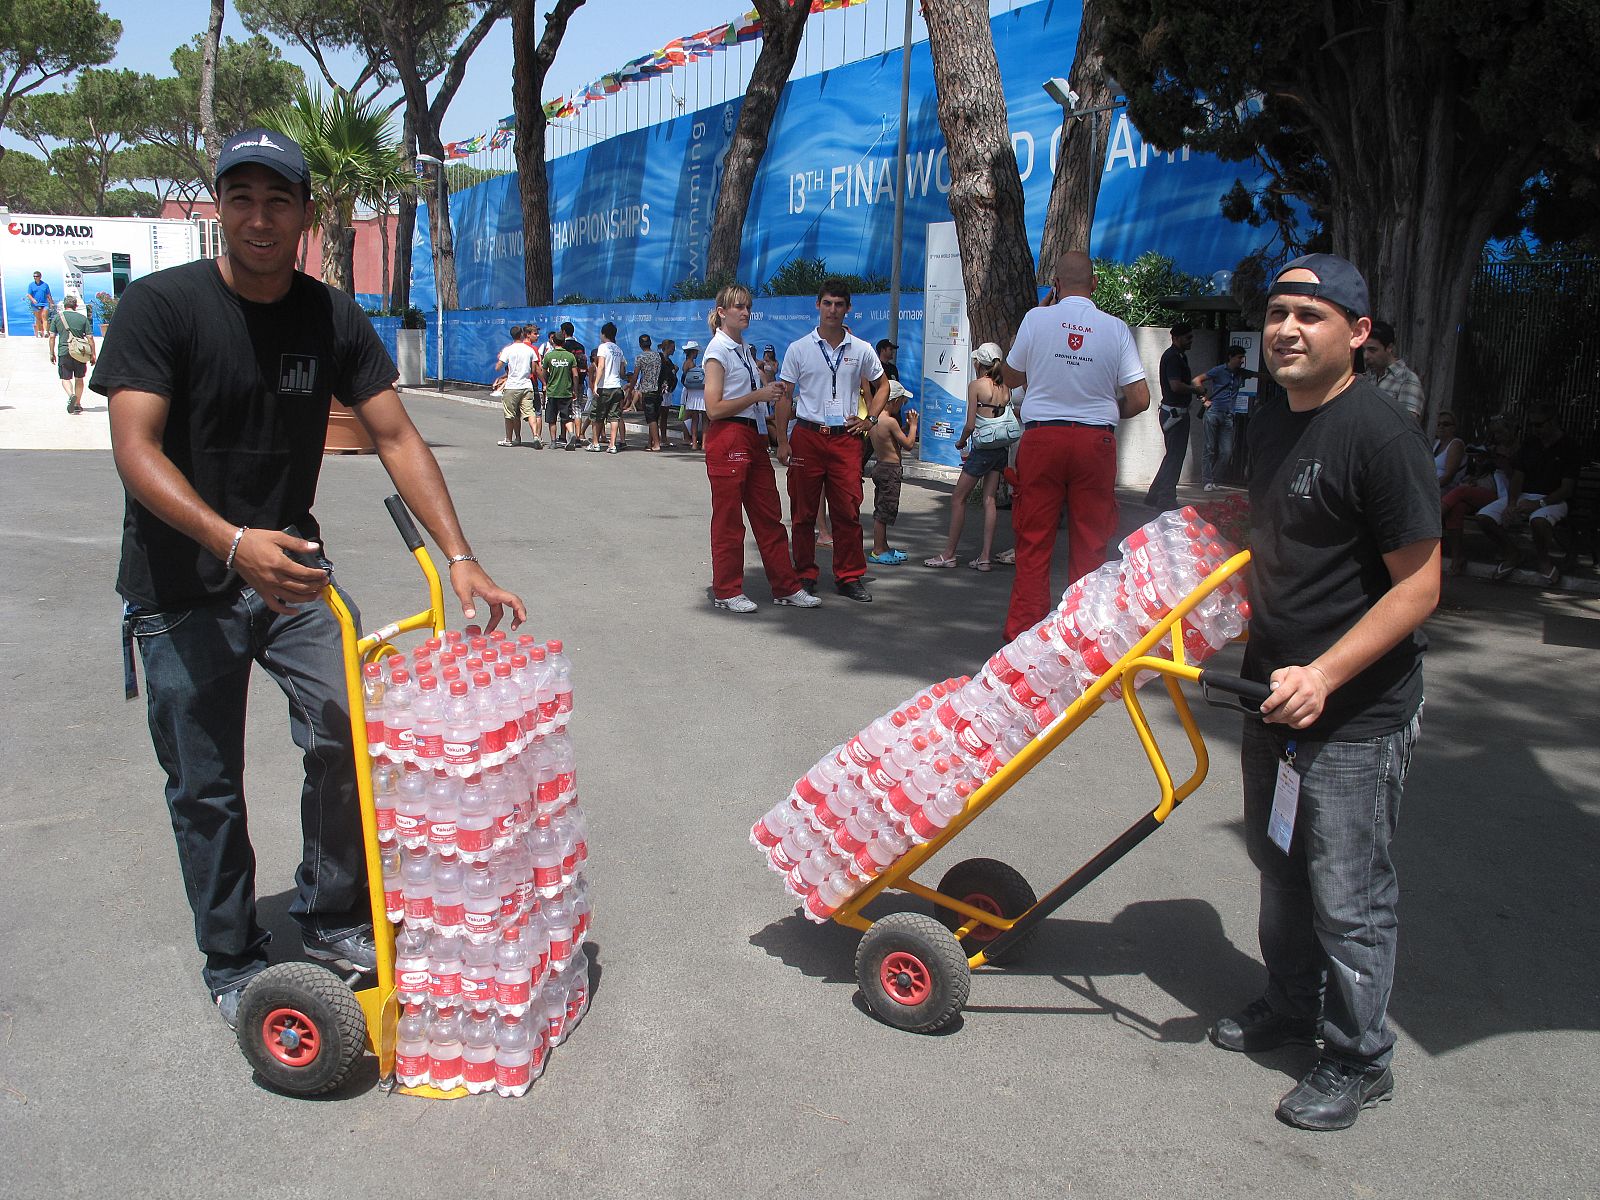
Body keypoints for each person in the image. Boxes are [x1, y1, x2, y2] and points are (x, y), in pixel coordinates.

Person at [91, 128, 525, 1029]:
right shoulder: (160, 308)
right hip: (181, 586)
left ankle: (331, 913)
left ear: (304, 217)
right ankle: (233, 959)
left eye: (277, 201)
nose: (258, 218)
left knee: (347, 735)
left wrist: (462, 555)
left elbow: (397, 436)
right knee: (206, 784)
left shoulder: (330, 316)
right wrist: (228, 539)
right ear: (218, 207)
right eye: (240, 199)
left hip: (293, 575)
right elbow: (135, 450)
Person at [1208, 253, 1439, 1133]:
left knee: (1348, 889)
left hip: (1354, 710)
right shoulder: (1269, 422)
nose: (1287, 330)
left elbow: (1418, 588)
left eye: (1310, 315)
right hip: (1272, 695)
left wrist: (1326, 674)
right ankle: (1290, 1001)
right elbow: (1271, 550)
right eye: (1276, 313)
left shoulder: (1381, 437)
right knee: (1279, 867)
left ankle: (1356, 1057)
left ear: (1358, 332)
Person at [1001, 251, 1149, 640]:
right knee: (1090, 541)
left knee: (1033, 539)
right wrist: (1104, 410)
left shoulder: (1037, 318)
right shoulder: (1115, 328)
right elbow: (1140, 398)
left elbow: (1012, 376)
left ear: (1057, 285)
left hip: (1042, 438)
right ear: (1095, 284)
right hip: (1094, 442)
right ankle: (1085, 633)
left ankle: (1025, 635)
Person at [701, 283, 819, 613]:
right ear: (722, 312)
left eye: (748, 306)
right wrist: (758, 395)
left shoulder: (743, 348)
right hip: (729, 437)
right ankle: (726, 589)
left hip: (752, 437)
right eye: (738, 306)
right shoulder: (717, 351)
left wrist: (770, 388)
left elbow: (752, 393)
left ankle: (786, 586)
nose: (745, 312)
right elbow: (714, 408)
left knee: (769, 516)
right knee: (728, 520)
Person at [774, 278, 888, 604]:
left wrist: (871, 420)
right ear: (818, 305)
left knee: (848, 510)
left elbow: (882, 387)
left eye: (839, 304)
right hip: (808, 435)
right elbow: (784, 398)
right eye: (827, 303)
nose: (833, 310)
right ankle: (806, 574)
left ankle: (849, 576)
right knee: (803, 510)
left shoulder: (862, 349)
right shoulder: (799, 348)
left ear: (848, 308)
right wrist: (783, 441)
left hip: (846, 439)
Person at [925, 342, 1013, 570]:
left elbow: (971, 424)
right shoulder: (1005, 388)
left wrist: (961, 441)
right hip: (1000, 448)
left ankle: (949, 554)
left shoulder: (976, 385)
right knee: (990, 500)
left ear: (978, 363)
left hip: (982, 449)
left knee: (958, 498)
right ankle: (985, 556)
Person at [1473, 402, 1581, 586]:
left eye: (1539, 424)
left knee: (1538, 521)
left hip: (1554, 500)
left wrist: (1539, 504)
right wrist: (1511, 503)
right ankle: (1512, 553)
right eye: (1532, 425)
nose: (1535, 429)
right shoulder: (1530, 443)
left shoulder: (1569, 447)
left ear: (1552, 421)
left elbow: (1567, 489)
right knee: (1484, 517)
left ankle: (1543, 560)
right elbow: (1518, 475)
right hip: (1525, 496)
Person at [1143, 323, 1200, 509]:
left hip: (1174, 412)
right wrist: (1195, 389)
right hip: (1175, 413)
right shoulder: (1174, 357)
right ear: (1176, 337)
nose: (1191, 341)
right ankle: (1166, 498)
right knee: (1175, 457)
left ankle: (1154, 494)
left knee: (1172, 456)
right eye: (1188, 338)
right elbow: (1175, 385)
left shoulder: (1178, 356)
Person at [867, 380, 919, 565]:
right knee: (884, 511)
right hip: (890, 471)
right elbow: (909, 444)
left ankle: (884, 546)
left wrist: (904, 428)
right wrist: (913, 426)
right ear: (892, 401)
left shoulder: (874, 420)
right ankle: (878, 550)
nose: (902, 405)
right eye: (901, 402)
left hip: (881, 466)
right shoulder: (890, 421)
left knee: (882, 507)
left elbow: (890, 439)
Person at [1196, 344, 1250, 490]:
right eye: (1239, 357)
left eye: (1242, 358)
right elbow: (1197, 380)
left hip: (1228, 415)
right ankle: (1207, 480)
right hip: (1214, 412)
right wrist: (1203, 398)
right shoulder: (1219, 370)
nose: (1241, 361)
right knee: (1209, 448)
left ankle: (1214, 479)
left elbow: (1259, 376)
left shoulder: (1240, 373)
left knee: (1226, 451)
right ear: (1230, 357)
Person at [1364, 320, 1425, 423]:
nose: (1366, 356)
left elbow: (1406, 428)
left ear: (1389, 348)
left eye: (1372, 350)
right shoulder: (1368, 377)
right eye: (1363, 350)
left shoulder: (1407, 380)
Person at [48, 294, 95, 414]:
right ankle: (78, 404)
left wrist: (51, 353)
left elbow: (52, 337)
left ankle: (71, 395)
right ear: (76, 306)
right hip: (80, 352)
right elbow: (90, 338)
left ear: (64, 305)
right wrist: (93, 354)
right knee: (79, 378)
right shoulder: (83, 319)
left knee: (65, 378)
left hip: (64, 351)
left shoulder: (58, 318)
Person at [588, 321, 627, 453]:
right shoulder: (619, 350)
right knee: (614, 416)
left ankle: (595, 443)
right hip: (617, 386)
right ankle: (612, 444)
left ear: (604, 334)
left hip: (604, 386)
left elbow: (601, 366)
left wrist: (595, 384)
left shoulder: (603, 347)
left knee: (597, 415)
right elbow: (622, 372)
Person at [538, 330, 580, 450]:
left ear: (553, 341)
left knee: (552, 419)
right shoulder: (570, 356)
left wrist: (545, 384)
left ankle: (553, 441)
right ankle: (571, 433)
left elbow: (544, 372)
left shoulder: (549, 356)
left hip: (552, 392)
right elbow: (575, 375)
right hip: (566, 391)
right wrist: (575, 390)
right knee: (566, 417)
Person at [496, 324, 537, 447]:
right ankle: (536, 435)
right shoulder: (529, 350)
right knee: (530, 412)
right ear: (523, 335)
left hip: (512, 385)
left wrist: (500, 358)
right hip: (526, 385)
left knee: (510, 414)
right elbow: (534, 370)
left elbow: (498, 367)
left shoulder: (508, 350)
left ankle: (510, 438)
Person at [631, 333, 666, 451]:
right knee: (655, 418)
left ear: (640, 345)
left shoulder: (640, 357)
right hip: (658, 390)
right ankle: (650, 442)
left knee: (650, 419)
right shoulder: (657, 356)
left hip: (647, 390)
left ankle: (656, 443)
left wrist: (631, 389)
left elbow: (635, 376)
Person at [680, 341, 706, 449]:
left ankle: (694, 443)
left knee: (695, 418)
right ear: (693, 352)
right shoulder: (690, 363)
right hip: (698, 392)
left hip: (691, 392)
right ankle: (704, 443)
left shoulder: (686, 363)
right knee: (704, 418)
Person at [1431, 411, 1465, 489]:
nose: (1441, 427)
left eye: (1445, 424)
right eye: (1438, 424)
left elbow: (1448, 477)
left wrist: (1429, 488)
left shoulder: (1456, 444)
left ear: (1454, 428)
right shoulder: (1436, 443)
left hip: (1444, 489)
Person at [657, 338, 679, 448]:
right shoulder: (660, 358)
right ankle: (656, 438)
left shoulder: (669, 361)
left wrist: (674, 370)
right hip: (660, 390)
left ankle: (664, 437)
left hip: (668, 390)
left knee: (665, 415)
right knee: (658, 415)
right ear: (667, 348)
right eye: (672, 348)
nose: (674, 350)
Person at [28, 270, 53, 338]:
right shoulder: (31, 285)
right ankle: (39, 332)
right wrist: (33, 300)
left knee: (44, 316)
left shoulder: (45, 285)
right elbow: (29, 294)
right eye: (34, 276)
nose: (35, 277)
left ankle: (45, 332)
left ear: (40, 276)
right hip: (35, 305)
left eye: (36, 276)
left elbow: (48, 294)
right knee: (38, 318)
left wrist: (51, 302)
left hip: (44, 303)